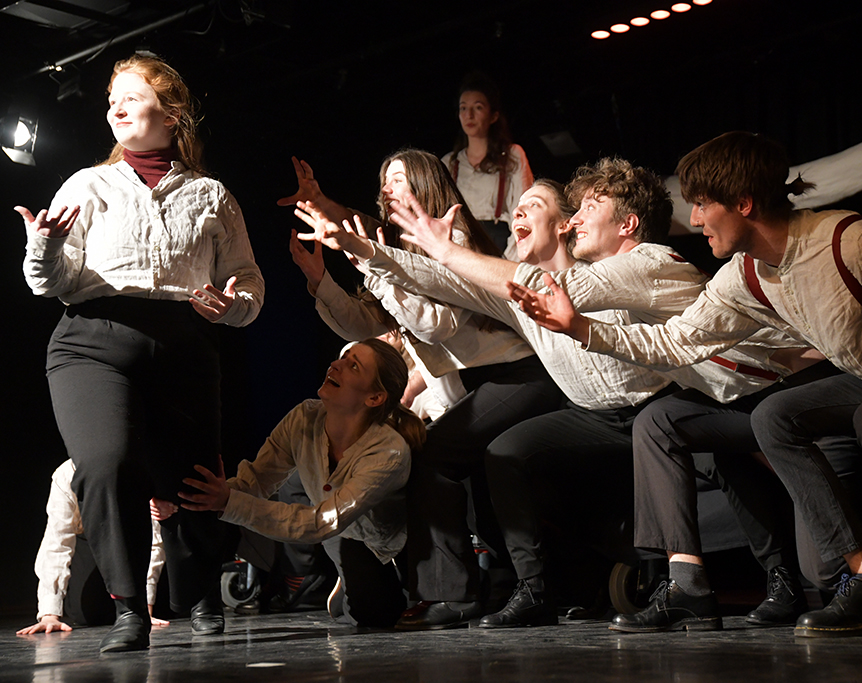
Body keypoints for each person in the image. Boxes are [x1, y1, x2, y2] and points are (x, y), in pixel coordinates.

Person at [510, 131, 862, 639]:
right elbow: (678, 341)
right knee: (774, 417)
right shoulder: (744, 275)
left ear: (744, 203)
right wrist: (580, 328)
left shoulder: (856, 242)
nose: (694, 220)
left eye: (702, 205)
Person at [309, 160, 812, 630]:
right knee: (507, 453)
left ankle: (776, 576)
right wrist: (366, 251)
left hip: (667, 401)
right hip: (597, 415)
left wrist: (445, 250)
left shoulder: (641, 263)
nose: (523, 214)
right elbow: (451, 283)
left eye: (545, 206)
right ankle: (535, 588)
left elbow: (550, 287)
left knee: (716, 452)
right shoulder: (537, 286)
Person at [17, 53, 264, 653]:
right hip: (92, 340)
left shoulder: (211, 194)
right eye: (111, 101)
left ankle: (200, 593)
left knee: (194, 478)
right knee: (106, 463)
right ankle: (129, 607)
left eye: (131, 96)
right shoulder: (88, 184)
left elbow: (250, 286)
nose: (116, 108)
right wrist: (44, 245)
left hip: (184, 342)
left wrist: (231, 306)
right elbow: (49, 282)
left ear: (171, 113)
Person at [285, 149, 565, 629]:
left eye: (398, 179)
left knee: (433, 456)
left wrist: (372, 265)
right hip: (479, 382)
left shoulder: (451, 238)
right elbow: (370, 327)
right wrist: (321, 282)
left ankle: (453, 595)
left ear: (424, 184)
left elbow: (436, 324)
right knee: (454, 465)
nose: (388, 188)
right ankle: (481, 586)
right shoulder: (399, 250)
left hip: (518, 372)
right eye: (385, 180)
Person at [180, 339, 425, 627]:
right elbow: (258, 478)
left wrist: (230, 503)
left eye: (353, 366)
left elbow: (320, 522)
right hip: (342, 534)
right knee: (369, 615)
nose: (336, 364)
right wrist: (215, 494)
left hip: (393, 541)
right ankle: (348, 584)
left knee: (392, 616)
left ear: (374, 398)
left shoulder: (387, 451)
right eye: (344, 357)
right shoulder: (304, 418)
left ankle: (360, 587)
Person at [16, 461, 172, 636]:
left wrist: (145, 609)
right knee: (88, 612)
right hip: (90, 539)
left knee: (164, 604)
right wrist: (49, 615)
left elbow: (153, 540)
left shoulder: (135, 466)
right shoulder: (67, 473)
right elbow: (58, 542)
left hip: (133, 539)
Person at [443, 72, 533, 256]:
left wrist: (510, 261)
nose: (469, 115)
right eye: (463, 108)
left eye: (478, 108)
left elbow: (524, 210)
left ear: (493, 116)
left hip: (499, 244)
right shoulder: (450, 163)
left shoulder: (512, 155)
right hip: (461, 246)